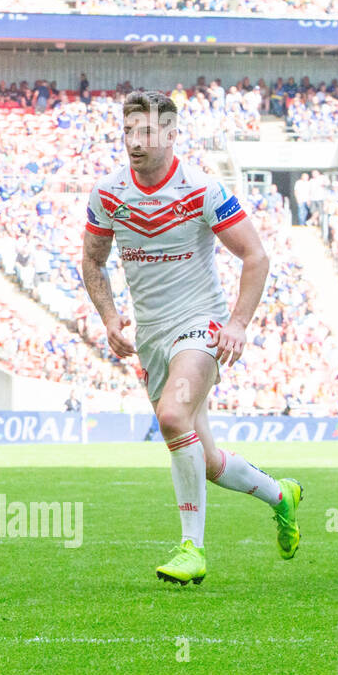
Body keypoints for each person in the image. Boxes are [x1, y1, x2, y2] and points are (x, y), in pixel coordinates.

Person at [81, 90, 300, 586]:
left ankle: (191, 549)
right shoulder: (108, 193)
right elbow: (93, 260)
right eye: (129, 131)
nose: (136, 142)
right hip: (153, 336)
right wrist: (111, 317)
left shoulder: (202, 190)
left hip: (201, 325)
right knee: (208, 457)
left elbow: (256, 256)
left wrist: (238, 323)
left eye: (148, 132)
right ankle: (279, 495)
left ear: (172, 135)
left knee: (172, 416)